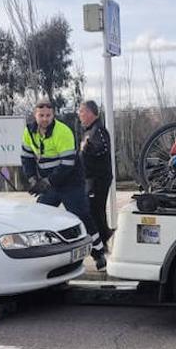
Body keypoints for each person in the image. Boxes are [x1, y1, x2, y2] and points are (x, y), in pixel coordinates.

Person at [21, 100, 107, 270]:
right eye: (41, 115)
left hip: (71, 182)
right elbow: (27, 157)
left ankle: (99, 254)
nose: (45, 119)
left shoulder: (63, 131)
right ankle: (44, 256)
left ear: (53, 115)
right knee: (39, 216)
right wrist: (32, 179)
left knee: (82, 215)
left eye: (48, 115)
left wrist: (47, 182)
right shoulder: (28, 132)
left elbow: (67, 164)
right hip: (50, 183)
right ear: (35, 115)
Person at [76, 100, 113, 243]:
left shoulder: (98, 130)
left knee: (95, 211)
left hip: (98, 179)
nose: (79, 115)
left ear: (90, 113)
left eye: (82, 111)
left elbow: (102, 148)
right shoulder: (89, 131)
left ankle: (103, 240)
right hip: (90, 179)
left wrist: (87, 147)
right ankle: (103, 238)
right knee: (94, 210)